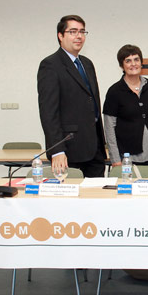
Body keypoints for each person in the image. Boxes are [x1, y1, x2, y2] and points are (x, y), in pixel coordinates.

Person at [38, 15, 106, 177]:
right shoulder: (50, 65)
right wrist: (57, 150)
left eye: (82, 31)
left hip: (94, 147)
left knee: (95, 198)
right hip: (68, 149)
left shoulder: (87, 63)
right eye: (73, 31)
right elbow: (48, 112)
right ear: (60, 36)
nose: (79, 36)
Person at [103, 44, 148, 167]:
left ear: (141, 63)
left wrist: (146, 126)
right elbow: (109, 128)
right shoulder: (114, 91)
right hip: (125, 157)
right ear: (122, 66)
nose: (133, 64)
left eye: (136, 59)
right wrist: (115, 159)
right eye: (128, 61)